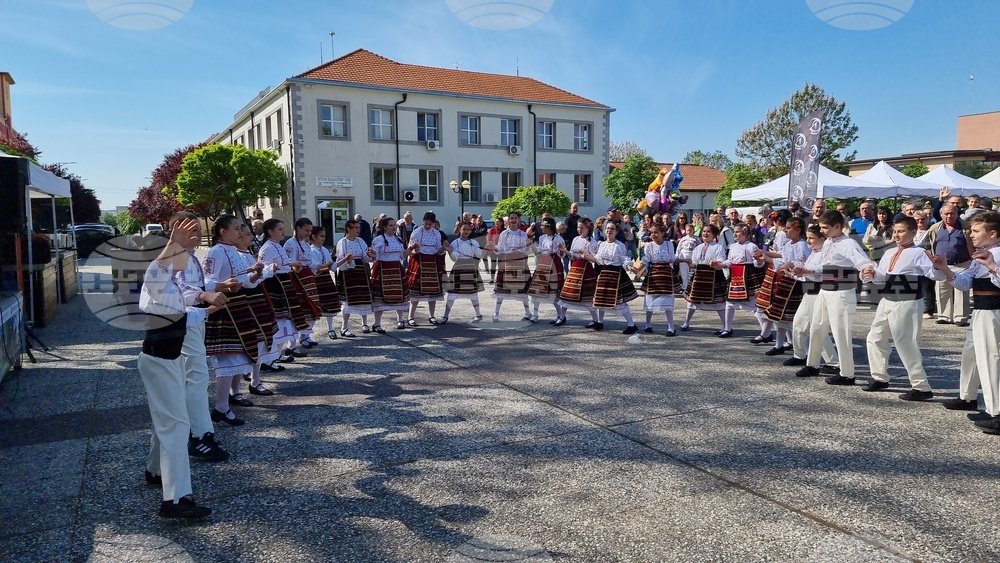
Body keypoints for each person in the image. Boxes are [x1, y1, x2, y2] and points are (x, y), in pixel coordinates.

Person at [137, 216, 221, 518]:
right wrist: (172, 246)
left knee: (167, 420)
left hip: (164, 360)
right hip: (159, 361)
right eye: (184, 252)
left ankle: (154, 471)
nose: (189, 255)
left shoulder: (170, 285)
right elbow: (156, 270)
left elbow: (185, 315)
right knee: (176, 425)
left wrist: (211, 307)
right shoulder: (159, 279)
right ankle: (175, 499)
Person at [930, 211, 1000, 434]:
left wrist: (993, 267)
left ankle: (996, 412)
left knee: (990, 358)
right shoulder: (982, 255)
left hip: (994, 310)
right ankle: (968, 397)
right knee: (971, 354)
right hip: (980, 310)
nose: (971, 235)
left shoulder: (996, 255)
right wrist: (946, 269)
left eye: (976, 231)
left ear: (993, 233)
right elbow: (965, 282)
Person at [170, 211, 232, 463]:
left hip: (195, 320)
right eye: (192, 229)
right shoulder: (175, 257)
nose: (198, 233)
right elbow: (177, 289)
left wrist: (218, 287)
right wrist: (203, 296)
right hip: (183, 322)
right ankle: (199, 435)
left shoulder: (192, 257)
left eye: (199, 228)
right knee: (196, 377)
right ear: (177, 231)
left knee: (194, 377)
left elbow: (196, 284)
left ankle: (193, 431)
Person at [863, 216, 945, 401]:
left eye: (901, 231)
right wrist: (871, 274)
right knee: (875, 337)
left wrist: (940, 267)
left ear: (913, 232)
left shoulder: (919, 253)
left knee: (905, 342)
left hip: (907, 301)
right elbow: (882, 277)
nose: (896, 235)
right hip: (887, 300)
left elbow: (935, 275)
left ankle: (921, 386)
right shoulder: (889, 253)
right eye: (895, 231)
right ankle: (879, 377)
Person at [792, 210, 876, 385]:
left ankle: (847, 374)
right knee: (817, 327)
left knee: (840, 332)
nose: (822, 231)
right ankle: (813, 364)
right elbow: (823, 267)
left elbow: (863, 261)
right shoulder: (829, 242)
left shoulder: (848, 244)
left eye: (825, 227)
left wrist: (867, 270)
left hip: (842, 292)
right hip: (825, 290)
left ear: (837, 226)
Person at [202, 215, 269, 425]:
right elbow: (205, 282)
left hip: (240, 305)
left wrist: (256, 274)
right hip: (223, 308)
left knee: (240, 356)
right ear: (223, 231)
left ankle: (231, 397)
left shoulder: (234, 251)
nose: (241, 233)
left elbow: (246, 283)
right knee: (227, 358)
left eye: (242, 229)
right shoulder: (215, 252)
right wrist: (224, 285)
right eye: (237, 228)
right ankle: (221, 407)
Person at [782, 224, 839, 371]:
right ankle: (799, 355)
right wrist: (791, 274)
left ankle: (833, 363)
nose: (808, 241)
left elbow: (825, 271)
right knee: (798, 323)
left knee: (817, 328)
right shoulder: (813, 253)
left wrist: (806, 270)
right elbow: (805, 274)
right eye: (807, 238)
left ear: (822, 238)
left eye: (812, 238)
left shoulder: (825, 254)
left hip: (818, 292)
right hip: (808, 291)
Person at [755, 217, 808, 356]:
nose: (785, 230)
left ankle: (801, 348)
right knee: (779, 315)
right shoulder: (789, 244)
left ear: (798, 229)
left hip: (796, 283)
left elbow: (804, 263)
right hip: (786, 281)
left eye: (789, 228)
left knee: (792, 317)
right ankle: (779, 345)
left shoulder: (802, 245)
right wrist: (764, 255)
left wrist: (789, 264)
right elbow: (781, 258)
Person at [257, 219, 306, 367]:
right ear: (270, 231)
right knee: (278, 321)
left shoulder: (278, 245)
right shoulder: (267, 248)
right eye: (279, 229)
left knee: (287, 320)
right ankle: (270, 358)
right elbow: (265, 270)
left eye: (283, 228)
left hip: (284, 284)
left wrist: (292, 266)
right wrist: (290, 265)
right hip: (275, 286)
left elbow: (283, 265)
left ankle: (277, 354)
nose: (283, 231)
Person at [587, 220, 639, 334]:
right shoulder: (602, 244)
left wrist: (630, 266)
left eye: (612, 229)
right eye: (607, 228)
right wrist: (586, 256)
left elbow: (624, 259)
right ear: (605, 230)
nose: (609, 231)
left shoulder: (619, 245)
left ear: (616, 231)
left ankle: (631, 324)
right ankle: (600, 322)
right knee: (600, 300)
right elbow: (598, 260)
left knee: (619, 302)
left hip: (615, 276)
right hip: (603, 275)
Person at [717, 222, 765, 338]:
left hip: (748, 276)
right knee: (729, 303)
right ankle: (727, 328)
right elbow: (729, 261)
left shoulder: (751, 246)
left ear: (745, 233)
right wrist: (720, 265)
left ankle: (765, 332)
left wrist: (758, 262)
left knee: (754, 304)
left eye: (738, 232)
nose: (735, 234)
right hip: (735, 277)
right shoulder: (732, 246)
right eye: (734, 232)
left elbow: (759, 263)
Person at [930, 203, 973, 326]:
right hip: (942, 264)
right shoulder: (935, 228)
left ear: (957, 214)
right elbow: (932, 244)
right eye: (946, 213)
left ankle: (961, 317)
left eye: (952, 213)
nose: (949, 216)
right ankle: (944, 316)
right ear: (941, 215)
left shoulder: (966, 227)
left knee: (961, 290)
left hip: (961, 263)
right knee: (942, 290)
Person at [679, 224, 728, 333]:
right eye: (704, 231)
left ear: (714, 234)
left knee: (718, 302)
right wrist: (688, 263)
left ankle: (726, 326)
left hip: (714, 276)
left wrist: (716, 263)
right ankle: (686, 322)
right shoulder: (698, 247)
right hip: (699, 276)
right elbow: (695, 263)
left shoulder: (718, 247)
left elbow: (721, 260)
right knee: (692, 301)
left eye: (708, 232)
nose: (705, 234)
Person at [283, 218, 322, 348]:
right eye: (306, 230)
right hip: (297, 278)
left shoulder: (305, 244)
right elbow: (289, 262)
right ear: (298, 228)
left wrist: (318, 268)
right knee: (300, 308)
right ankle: (293, 342)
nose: (308, 233)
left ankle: (306, 335)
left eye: (310, 231)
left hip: (308, 278)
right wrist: (296, 267)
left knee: (312, 306)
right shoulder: (290, 244)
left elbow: (309, 262)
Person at [555, 218, 601, 327]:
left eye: (582, 228)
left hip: (586, 270)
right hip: (574, 268)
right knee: (567, 292)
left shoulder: (592, 242)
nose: (579, 230)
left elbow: (595, 259)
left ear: (588, 228)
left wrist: (586, 256)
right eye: (578, 227)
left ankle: (595, 319)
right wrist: (563, 250)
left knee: (587, 296)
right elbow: (572, 254)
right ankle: (562, 317)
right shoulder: (575, 239)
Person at [406, 212, 448, 325]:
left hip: (432, 262)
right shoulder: (417, 232)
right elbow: (411, 249)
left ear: (434, 224)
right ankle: (410, 317)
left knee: (432, 292)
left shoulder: (437, 234)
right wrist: (416, 250)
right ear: (423, 221)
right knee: (416, 292)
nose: (428, 226)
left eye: (430, 224)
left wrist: (443, 248)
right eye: (426, 224)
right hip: (419, 260)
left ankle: (432, 316)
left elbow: (439, 250)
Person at [335, 219, 375, 336]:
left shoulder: (360, 241)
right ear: (348, 228)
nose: (358, 230)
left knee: (363, 298)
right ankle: (344, 327)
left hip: (360, 271)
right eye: (356, 227)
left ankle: (365, 323)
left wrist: (370, 255)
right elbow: (340, 259)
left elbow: (364, 257)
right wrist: (348, 261)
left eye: (359, 228)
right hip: (347, 273)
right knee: (348, 300)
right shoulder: (342, 242)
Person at [369, 216, 409, 331]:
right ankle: (377, 324)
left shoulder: (398, 239)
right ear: (385, 227)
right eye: (390, 225)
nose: (393, 227)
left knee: (399, 295)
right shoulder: (379, 240)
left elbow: (402, 256)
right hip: (382, 269)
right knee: (380, 298)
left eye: (394, 225)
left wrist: (410, 249)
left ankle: (400, 320)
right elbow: (374, 257)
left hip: (396, 269)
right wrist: (372, 254)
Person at [492, 212, 533, 321]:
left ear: (518, 220)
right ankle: (496, 313)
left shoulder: (523, 234)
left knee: (522, 290)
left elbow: (526, 251)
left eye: (515, 218)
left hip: (520, 262)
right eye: (512, 218)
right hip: (507, 262)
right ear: (508, 220)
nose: (514, 220)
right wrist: (494, 248)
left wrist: (528, 247)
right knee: (501, 290)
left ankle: (528, 312)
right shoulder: (504, 234)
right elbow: (500, 248)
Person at [442, 221, 485, 322]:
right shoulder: (454, 243)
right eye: (464, 229)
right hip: (458, 270)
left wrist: (487, 248)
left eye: (468, 229)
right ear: (459, 230)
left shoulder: (474, 243)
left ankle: (478, 315)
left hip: (470, 269)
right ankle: (445, 316)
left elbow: (480, 254)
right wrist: (449, 251)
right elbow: (454, 259)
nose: (466, 231)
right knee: (452, 294)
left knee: (473, 293)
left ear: (470, 231)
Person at [639, 225, 678, 335]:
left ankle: (671, 327)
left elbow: (672, 258)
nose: (653, 235)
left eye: (655, 232)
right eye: (651, 233)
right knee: (650, 299)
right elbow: (646, 260)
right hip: (654, 273)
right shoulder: (649, 246)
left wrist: (686, 260)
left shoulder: (669, 244)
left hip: (666, 274)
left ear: (662, 233)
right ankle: (647, 324)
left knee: (667, 299)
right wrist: (637, 269)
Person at [527, 217, 567, 322]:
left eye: (543, 225)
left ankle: (560, 316)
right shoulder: (542, 238)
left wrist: (560, 249)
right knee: (538, 289)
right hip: (543, 264)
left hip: (554, 264)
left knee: (554, 291)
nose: (541, 227)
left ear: (549, 226)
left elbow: (562, 254)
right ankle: (535, 314)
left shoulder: (558, 238)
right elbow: (539, 250)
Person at [306, 226, 342, 338]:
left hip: (326, 279)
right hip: (316, 279)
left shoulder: (325, 249)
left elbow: (332, 267)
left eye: (324, 236)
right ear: (313, 237)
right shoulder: (311, 250)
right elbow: (316, 268)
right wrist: (327, 265)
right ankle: (307, 333)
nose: (323, 238)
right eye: (321, 236)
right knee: (315, 305)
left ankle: (331, 329)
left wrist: (344, 260)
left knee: (329, 304)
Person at [913, 211, 937, 319]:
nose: (920, 222)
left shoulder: (931, 230)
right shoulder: (912, 231)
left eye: (922, 219)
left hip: (927, 261)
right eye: (917, 220)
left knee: (927, 286)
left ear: (927, 219)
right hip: (913, 262)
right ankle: (917, 307)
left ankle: (928, 309)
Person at [674, 223, 699, 293]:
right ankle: (685, 287)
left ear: (693, 230)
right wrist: (677, 256)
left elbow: (700, 247)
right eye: (688, 230)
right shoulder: (683, 239)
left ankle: (691, 287)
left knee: (691, 272)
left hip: (692, 256)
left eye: (690, 230)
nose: (689, 232)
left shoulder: (696, 239)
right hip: (683, 256)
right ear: (685, 230)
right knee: (683, 272)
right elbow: (678, 248)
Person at [484, 216, 504, 284]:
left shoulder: (504, 231)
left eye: (498, 222)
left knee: (500, 265)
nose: (496, 223)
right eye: (495, 222)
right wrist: (491, 245)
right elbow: (488, 239)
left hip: (501, 250)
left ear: (501, 223)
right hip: (492, 250)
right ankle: (492, 279)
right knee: (493, 264)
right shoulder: (492, 230)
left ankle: (500, 279)